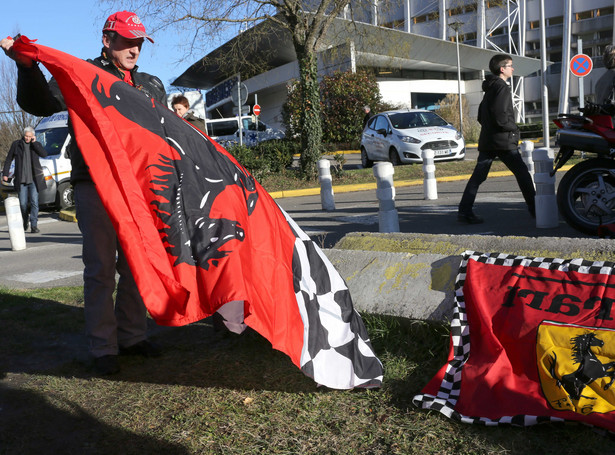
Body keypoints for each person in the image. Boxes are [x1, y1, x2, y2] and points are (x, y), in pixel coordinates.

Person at [1, 11, 167, 375]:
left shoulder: (153, 84)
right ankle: (104, 347)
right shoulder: (82, 73)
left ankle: (133, 337)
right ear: (107, 40)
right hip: (95, 184)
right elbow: (42, 105)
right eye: (127, 40)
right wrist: (28, 69)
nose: (134, 48)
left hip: (140, 188)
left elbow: (166, 135)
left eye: (139, 41)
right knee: (101, 269)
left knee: (138, 266)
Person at [457, 54, 536, 224]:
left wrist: (492, 128)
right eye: (510, 66)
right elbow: (501, 117)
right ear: (502, 69)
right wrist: (514, 128)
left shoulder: (490, 88)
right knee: (522, 174)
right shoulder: (502, 87)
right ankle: (536, 209)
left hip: (488, 140)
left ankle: (464, 211)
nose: (512, 69)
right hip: (503, 141)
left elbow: (480, 116)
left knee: (478, 177)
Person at [3, 127, 48, 233]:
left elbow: (44, 154)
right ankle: (25, 220)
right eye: (26, 136)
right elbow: (9, 159)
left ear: (33, 136)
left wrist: (35, 143)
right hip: (21, 179)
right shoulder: (16, 144)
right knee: (23, 204)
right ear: (23, 135)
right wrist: (5, 173)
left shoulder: (35, 145)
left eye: (29, 136)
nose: (27, 138)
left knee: (34, 203)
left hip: (34, 180)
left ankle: (34, 225)